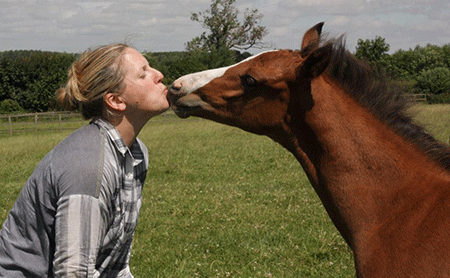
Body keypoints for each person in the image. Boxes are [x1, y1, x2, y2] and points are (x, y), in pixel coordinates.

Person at [0, 43, 169, 277]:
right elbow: (74, 272)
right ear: (116, 100)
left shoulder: (136, 153)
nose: (159, 75)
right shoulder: (89, 165)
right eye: (143, 73)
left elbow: (115, 264)